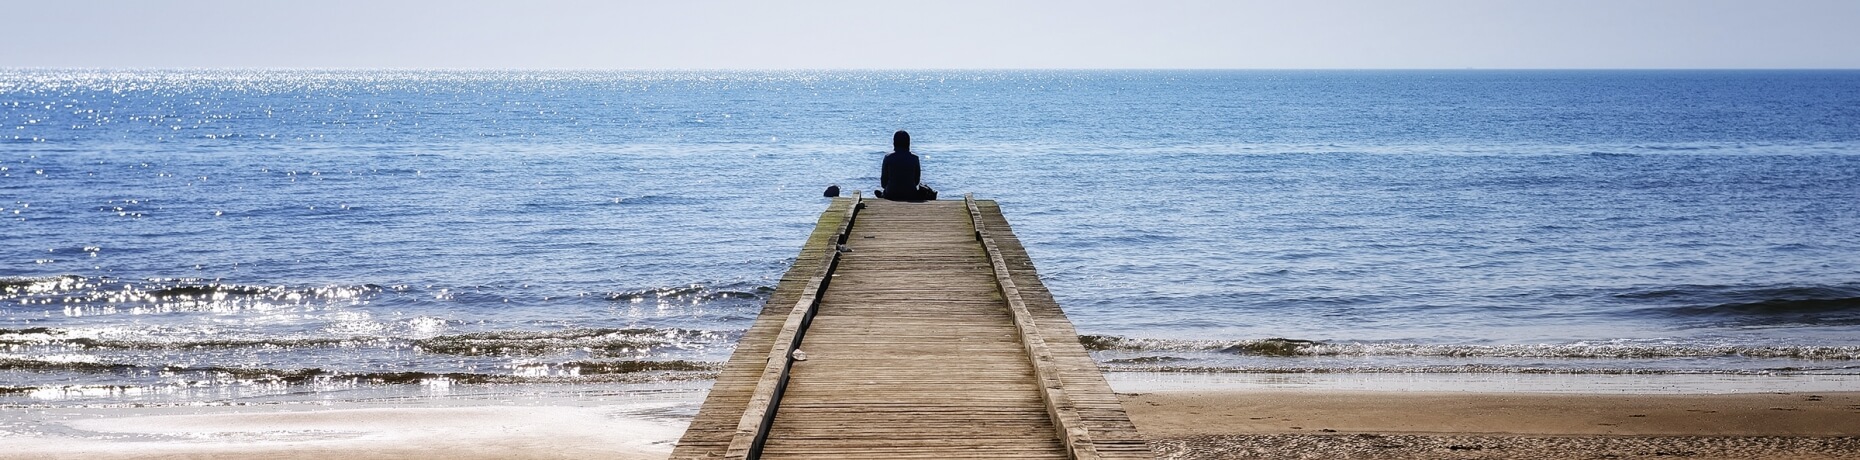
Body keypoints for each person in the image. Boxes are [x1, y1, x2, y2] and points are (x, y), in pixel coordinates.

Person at [876, 130, 937, 201]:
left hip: (891, 194)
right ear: (909, 143)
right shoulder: (915, 158)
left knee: (883, 191)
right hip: (910, 194)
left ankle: (883, 195)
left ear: (894, 143)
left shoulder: (888, 157)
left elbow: (883, 183)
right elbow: (916, 181)